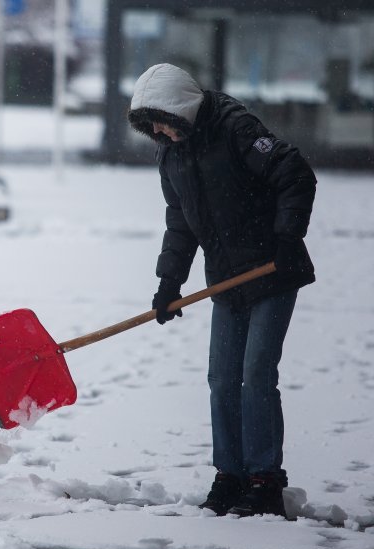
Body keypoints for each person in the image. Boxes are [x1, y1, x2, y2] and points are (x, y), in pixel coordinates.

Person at [127, 63, 316, 518]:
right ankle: (230, 475)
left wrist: (289, 238)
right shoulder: (170, 152)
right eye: (149, 124)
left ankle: (264, 478)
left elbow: (295, 174)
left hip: (272, 270)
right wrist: (169, 281)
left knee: (256, 375)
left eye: (160, 120)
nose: (156, 131)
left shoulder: (236, 127)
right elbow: (181, 221)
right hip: (226, 281)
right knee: (222, 380)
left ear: (180, 108)